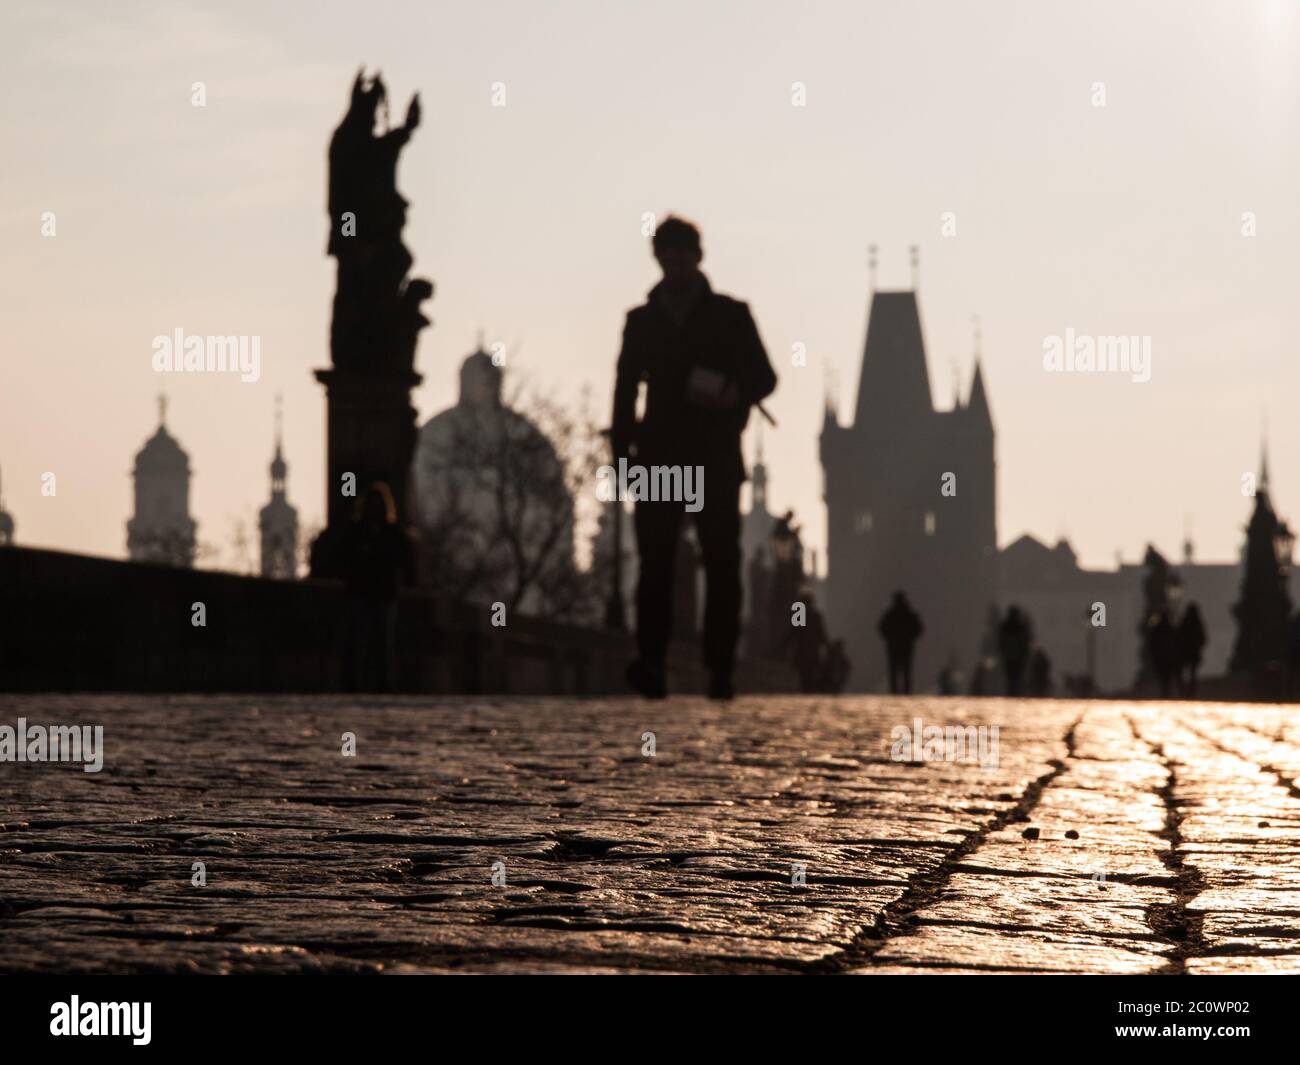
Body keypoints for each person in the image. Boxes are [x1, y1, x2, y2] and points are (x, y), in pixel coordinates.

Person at [611, 216, 778, 700]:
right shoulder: (640, 322)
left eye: (683, 253)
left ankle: (720, 667)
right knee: (656, 564)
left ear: (698, 257)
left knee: (722, 562)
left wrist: (732, 392)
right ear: (658, 259)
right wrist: (623, 456)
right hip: (660, 459)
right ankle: (651, 662)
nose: (676, 262)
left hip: (714, 456)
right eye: (668, 253)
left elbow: (765, 378)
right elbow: (624, 392)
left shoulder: (731, 314)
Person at [342, 482, 414, 692]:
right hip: (365, 593)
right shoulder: (361, 532)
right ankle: (358, 684)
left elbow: (405, 561)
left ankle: (382, 684)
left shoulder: (387, 533)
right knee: (362, 642)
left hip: (380, 594)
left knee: (382, 643)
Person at [879, 591, 923, 694]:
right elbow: (918, 628)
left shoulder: (890, 614)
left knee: (895, 670)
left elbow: (882, 628)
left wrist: (889, 638)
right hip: (905, 645)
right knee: (905, 670)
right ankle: (906, 691)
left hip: (895, 645)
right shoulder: (908, 614)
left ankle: (895, 691)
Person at [997, 606, 1032, 696]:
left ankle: (1012, 692)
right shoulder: (1020, 627)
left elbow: (1001, 642)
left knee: (1012, 677)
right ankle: (1014, 692)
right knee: (1016, 677)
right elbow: (1025, 642)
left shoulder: (1005, 627)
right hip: (1017, 657)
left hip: (1010, 656)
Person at [1176, 602, 1207, 697]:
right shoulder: (1198, 624)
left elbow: (1178, 637)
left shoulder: (1184, 623)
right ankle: (1191, 691)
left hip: (1184, 653)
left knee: (1181, 672)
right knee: (1192, 673)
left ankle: (1184, 690)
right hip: (1193, 653)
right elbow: (1203, 639)